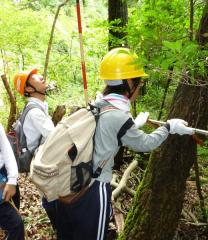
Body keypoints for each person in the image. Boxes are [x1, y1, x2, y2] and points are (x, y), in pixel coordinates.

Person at [56, 48, 194, 240]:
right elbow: (145, 144)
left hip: (71, 182)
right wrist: (169, 127)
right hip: (95, 189)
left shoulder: (98, 103)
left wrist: (132, 124)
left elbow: (106, 133)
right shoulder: (119, 114)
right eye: (140, 82)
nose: (140, 87)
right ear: (129, 82)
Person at [13, 69, 57, 229]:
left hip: (41, 159)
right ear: (29, 89)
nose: (42, 77)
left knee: (49, 195)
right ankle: (60, 228)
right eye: (36, 78)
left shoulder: (37, 107)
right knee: (51, 197)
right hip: (41, 161)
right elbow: (55, 136)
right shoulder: (35, 112)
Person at [0, 123, 24, 240]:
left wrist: (12, 179)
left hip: (4, 173)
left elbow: (7, 151)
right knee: (16, 225)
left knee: (15, 220)